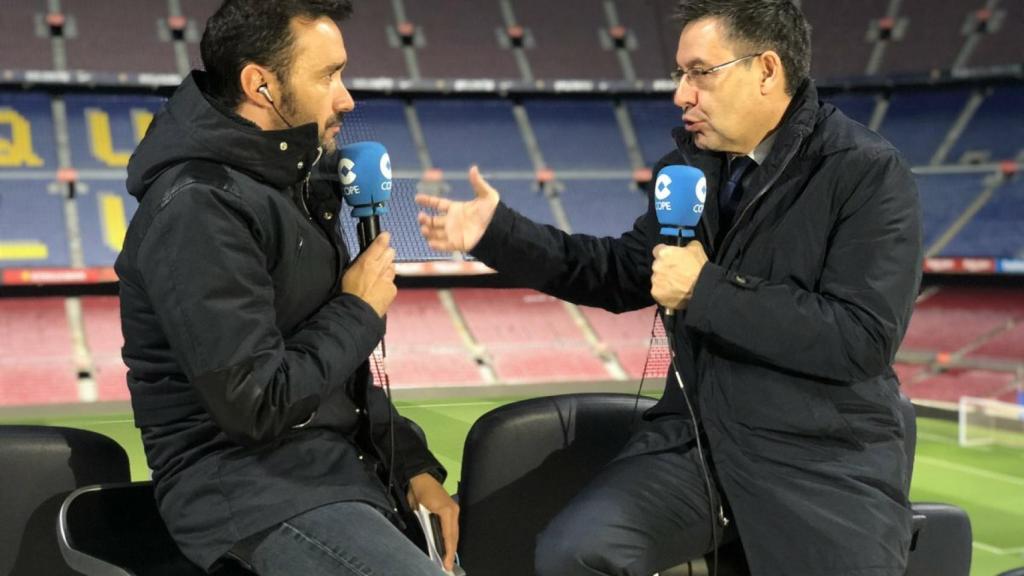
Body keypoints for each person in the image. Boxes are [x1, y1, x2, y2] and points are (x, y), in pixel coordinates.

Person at [416, 0, 922, 574]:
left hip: (821, 455)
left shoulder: (865, 170)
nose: (682, 94)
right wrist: (497, 234)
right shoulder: (687, 173)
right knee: (576, 554)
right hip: (696, 446)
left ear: (766, 70)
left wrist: (705, 290)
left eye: (700, 72)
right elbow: (613, 272)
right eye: (679, 75)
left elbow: (861, 337)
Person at [116, 1, 457, 574]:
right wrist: (356, 308)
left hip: (328, 477)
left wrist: (408, 464)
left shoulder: (286, 187)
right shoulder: (200, 206)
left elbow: (332, 379)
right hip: (245, 491)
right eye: (327, 75)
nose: (346, 98)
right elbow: (258, 403)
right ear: (261, 84)